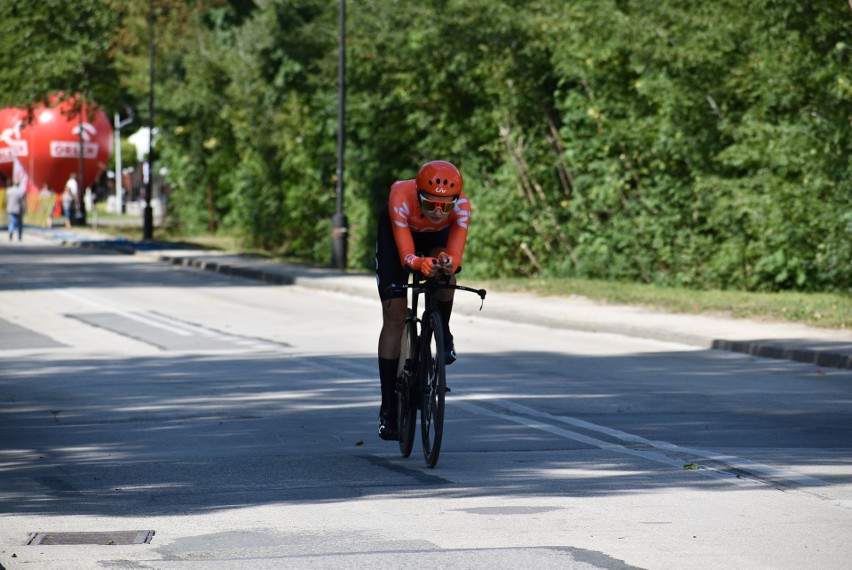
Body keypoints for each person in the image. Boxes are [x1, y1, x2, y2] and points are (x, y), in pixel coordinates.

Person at [374, 160, 471, 440]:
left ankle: (444, 332)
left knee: (445, 276)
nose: (439, 212)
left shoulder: (462, 207)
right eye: (430, 205)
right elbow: (406, 256)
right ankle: (388, 410)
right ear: (418, 196)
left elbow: (455, 256)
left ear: (456, 200)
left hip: (435, 241)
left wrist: (444, 265)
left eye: (446, 206)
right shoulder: (401, 196)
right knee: (394, 314)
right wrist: (419, 263)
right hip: (398, 237)